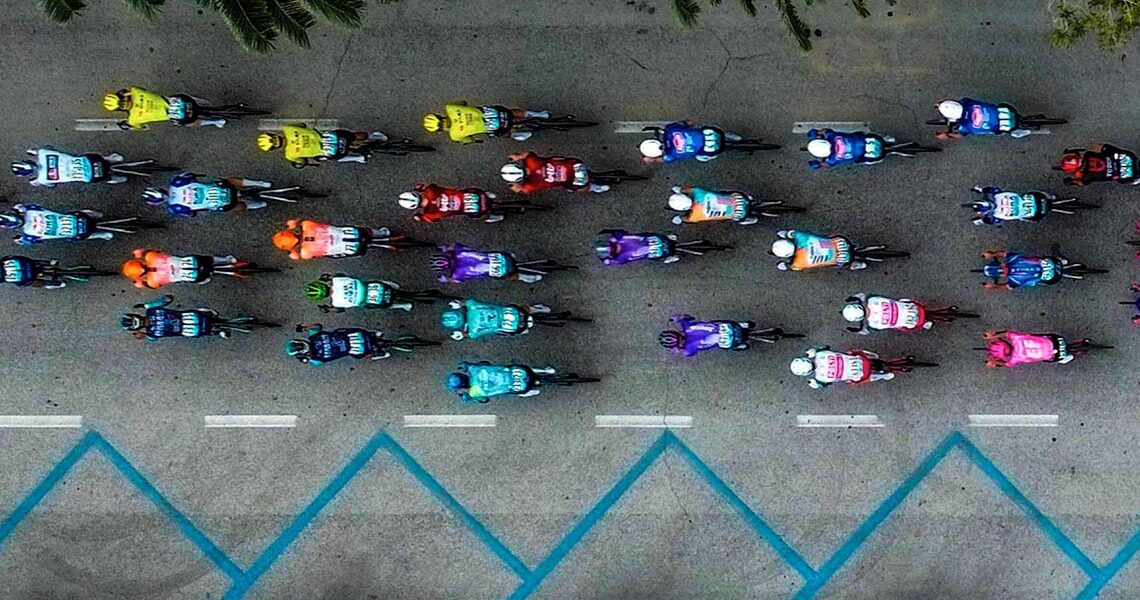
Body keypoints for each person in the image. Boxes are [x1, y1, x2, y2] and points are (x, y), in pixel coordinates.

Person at [141, 173, 269, 216]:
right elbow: (190, 175)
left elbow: (191, 215)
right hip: (222, 188)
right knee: (230, 180)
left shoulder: (174, 208)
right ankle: (260, 183)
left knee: (234, 207)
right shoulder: (176, 182)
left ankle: (257, 205)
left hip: (222, 203)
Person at [257, 124, 387, 167]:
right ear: (274, 134)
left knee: (333, 158)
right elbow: (303, 125)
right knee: (353, 135)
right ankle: (376, 136)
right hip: (334, 137)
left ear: (274, 148)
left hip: (332, 151)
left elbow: (302, 161)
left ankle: (358, 158)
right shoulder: (288, 128)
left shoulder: (289, 155)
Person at [422, 102, 550, 143]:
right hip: (497, 112)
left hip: (499, 127)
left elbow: (469, 140)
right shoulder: (450, 107)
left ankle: (516, 135)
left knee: (500, 133)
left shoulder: (454, 135)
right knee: (510, 112)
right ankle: (538, 114)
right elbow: (463, 102)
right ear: (439, 115)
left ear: (439, 130)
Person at [305, 274, 443, 312]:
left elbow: (341, 309)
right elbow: (346, 276)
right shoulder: (337, 280)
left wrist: (329, 309)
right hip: (379, 287)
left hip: (376, 300)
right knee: (391, 286)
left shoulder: (336, 303)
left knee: (378, 305)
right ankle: (398, 289)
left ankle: (404, 305)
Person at [103, 86, 226, 129]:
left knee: (190, 123)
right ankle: (207, 103)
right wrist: (127, 93)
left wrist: (127, 124)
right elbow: (136, 90)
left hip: (174, 115)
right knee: (190, 99)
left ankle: (216, 122)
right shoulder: (136, 91)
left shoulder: (133, 119)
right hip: (176, 101)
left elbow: (139, 127)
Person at [272, 219, 390, 260]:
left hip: (352, 249)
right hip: (353, 233)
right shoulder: (307, 225)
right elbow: (298, 221)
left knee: (337, 253)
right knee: (365, 231)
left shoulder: (305, 253)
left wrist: (292, 251)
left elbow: (297, 256)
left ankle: (378, 246)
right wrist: (292, 224)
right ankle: (381, 233)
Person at [119, 295, 223, 341]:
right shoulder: (151, 314)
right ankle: (215, 328)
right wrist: (144, 335)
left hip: (188, 323)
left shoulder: (151, 329)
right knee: (199, 322)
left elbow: (162, 302)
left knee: (199, 317)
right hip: (189, 324)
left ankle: (216, 329)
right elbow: (163, 301)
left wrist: (144, 335)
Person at [500, 151, 609, 194]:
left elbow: (523, 190)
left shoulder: (530, 185)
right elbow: (527, 153)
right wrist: (518, 156)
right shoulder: (530, 160)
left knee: (575, 188)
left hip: (577, 180)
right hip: (575, 164)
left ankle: (593, 188)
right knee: (560, 159)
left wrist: (517, 187)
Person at [122, 249, 237, 289]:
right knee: (208, 259)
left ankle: (215, 275)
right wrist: (140, 253)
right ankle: (227, 260)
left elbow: (149, 286)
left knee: (204, 278)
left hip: (194, 277)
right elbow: (150, 251)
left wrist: (141, 284)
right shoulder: (150, 256)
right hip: (193, 261)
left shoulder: (152, 281)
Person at [0, 204, 113, 245]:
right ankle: (98, 215)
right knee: (82, 212)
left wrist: (20, 239)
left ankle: (103, 235)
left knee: (80, 236)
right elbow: (27, 206)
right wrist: (20, 208)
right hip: (77, 217)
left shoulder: (29, 235)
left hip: (75, 233)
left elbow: (33, 242)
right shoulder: (31, 210)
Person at [11, 147, 125, 187]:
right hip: (91, 160)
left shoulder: (41, 179)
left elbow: (51, 185)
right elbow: (50, 148)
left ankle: (113, 178)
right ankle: (112, 159)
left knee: (98, 178)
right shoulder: (43, 153)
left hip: (91, 177)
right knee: (88, 157)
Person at [284, 323, 389, 365]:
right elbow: (317, 326)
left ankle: (377, 354)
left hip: (356, 348)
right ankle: (374, 334)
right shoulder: (313, 335)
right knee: (344, 331)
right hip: (355, 336)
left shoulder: (316, 358)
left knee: (358, 355)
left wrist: (308, 357)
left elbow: (317, 363)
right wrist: (305, 328)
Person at [790, 347, 893, 389]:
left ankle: (883, 376)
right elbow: (826, 347)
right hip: (860, 360)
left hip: (859, 374)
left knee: (854, 381)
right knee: (853, 352)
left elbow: (824, 385)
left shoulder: (820, 379)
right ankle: (872, 355)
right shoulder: (820, 354)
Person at [430, 244, 540, 283]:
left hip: (498, 271)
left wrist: (446, 279)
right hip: (500, 256)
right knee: (506, 255)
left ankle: (524, 277)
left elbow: (455, 281)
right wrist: (446, 248)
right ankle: (513, 257)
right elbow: (454, 245)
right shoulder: (459, 252)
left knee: (508, 276)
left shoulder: (457, 274)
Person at [446, 361, 549, 403]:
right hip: (517, 372)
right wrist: (467, 365)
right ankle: (546, 371)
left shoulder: (473, 392)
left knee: (519, 393)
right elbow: (486, 363)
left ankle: (535, 392)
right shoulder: (474, 369)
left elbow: (484, 400)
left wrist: (469, 398)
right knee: (527, 369)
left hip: (518, 387)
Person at [639, 120, 735, 164]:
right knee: (704, 129)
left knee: (699, 157)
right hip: (713, 133)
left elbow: (661, 160)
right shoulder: (670, 129)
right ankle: (728, 135)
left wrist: (651, 160)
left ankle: (717, 154)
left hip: (712, 149)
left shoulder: (670, 155)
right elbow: (689, 122)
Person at [398, 184, 501, 223]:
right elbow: (430, 185)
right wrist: (421, 187)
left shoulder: (429, 214)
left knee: (475, 215)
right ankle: (487, 194)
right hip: (475, 195)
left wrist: (419, 217)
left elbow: (433, 220)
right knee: (466, 191)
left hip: (475, 209)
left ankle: (495, 217)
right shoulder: (430, 191)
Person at [658, 315, 751, 356]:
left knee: (720, 344)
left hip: (728, 341)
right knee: (715, 323)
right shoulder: (687, 325)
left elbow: (687, 353)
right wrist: (679, 318)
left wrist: (679, 351)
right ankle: (743, 325)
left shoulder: (689, 348)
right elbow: (689, 317)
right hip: (728, 327)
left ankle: (741, 346)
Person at [935, 98, 1030, 139]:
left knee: (997, 130)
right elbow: (956, 102)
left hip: (1003, 126)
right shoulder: (967, 102)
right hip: (1007, 110)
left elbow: (960, 135)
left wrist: (947, 135)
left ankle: (1013, 132)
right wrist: (943, 103)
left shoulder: (965, 127)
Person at [440, 298, 533, 340]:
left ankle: (525, 331)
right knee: (522, 307)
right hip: (514, 312)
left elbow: (467, 335)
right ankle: (534, 308)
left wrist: (461, 334)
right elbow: (466, 301)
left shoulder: (473, 332)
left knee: (508, 332)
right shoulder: (472, 305)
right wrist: (459, 304)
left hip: (514, 327)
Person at [770, 229, 861, 271]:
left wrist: (786, 265)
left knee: (831, 265)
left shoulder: (798, 263)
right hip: (841, 242)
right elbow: (789, 233)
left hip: (843, 259)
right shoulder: (800, 236)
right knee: (828, 238)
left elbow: (793, 267)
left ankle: (856, 265)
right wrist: (787, 234)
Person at [668, 186, 758, 225]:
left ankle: (750, 220)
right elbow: (689, 189)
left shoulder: (694, 216)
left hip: (738, 215)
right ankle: (748, 197)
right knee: (724, 193)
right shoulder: (698, 192)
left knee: (730, 218)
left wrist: (680, 218)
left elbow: (686, 219)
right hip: (740, 198)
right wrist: (680, 189)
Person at [842, 294, 930, 334]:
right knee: (898, 302)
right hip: (914, 308)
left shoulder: (873, 325)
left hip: (913, 322)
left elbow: (866, 331)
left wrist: (858, 330)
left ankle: (924, 324)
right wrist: (854, 297)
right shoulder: (872, 299)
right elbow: (863, 295)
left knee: (897, 326)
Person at [1057, 144, 1139, 186]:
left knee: (1121, 179)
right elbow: (1099, 147)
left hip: (1128, 175)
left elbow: (1082, 183)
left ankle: (1136, 178)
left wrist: (1072, 181)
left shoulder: (1087, 177)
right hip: (1128, 157)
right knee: (1106, 148)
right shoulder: (1088, 154)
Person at [979, 250, 1063, 289]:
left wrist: (994, 286)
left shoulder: (1015, 281)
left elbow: (1006, 287)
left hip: (1052, 277)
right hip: (1053, 264)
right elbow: (1004, 254)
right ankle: (1060, 259)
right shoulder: (1014, 258)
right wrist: (993, 254)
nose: (1004, 271)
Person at [805, 129, 886, 169]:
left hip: (871, 154)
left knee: (859, 160)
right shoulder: (831, 135)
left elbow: (826, 165)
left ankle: (884, 154)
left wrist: (818, 164)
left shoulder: (832, 160)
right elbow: (824, 131)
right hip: (870, 140)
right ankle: (886, 139)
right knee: (860, 135)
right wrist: (817, 132)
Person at [984, 331, 1071, 367]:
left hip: (1057, 355)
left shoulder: (1015, 358)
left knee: (1049, 358)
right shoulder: (1016, 338)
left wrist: (995, 362)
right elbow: (1007, 333)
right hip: (1056, 340)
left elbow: (1007, 364)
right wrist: (993, 336)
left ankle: (1067, 358)